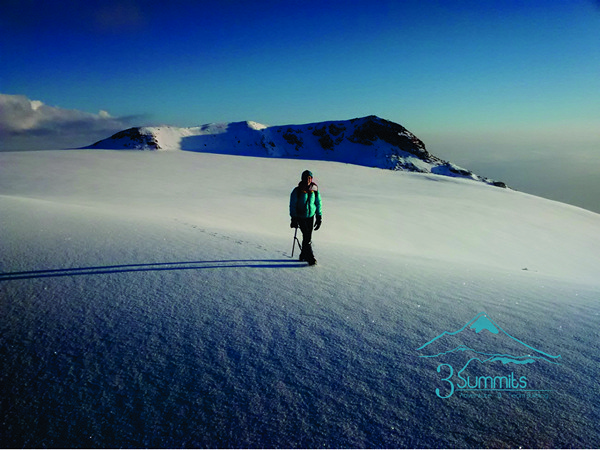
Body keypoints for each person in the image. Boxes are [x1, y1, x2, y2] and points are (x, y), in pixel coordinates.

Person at [290, 170, 322, 265]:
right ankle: (310, 257)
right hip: (300, 216)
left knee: (307, 236)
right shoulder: (297, 191)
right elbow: (293, 205)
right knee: (307, 236)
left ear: (311, 179)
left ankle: (303, 254)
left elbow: (318, 203)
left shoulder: (314, 190)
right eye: (305, 178)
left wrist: (319, 217)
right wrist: (294, 218)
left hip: (310, 216)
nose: (307, 180)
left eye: (309, 178)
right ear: (302, 178)